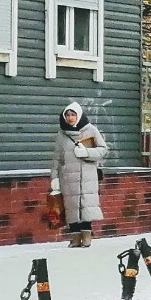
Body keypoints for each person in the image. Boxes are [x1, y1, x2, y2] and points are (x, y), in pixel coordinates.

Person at [53, 102, 109, 248]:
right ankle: (75, 238)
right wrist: (54, 178)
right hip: (68, 177)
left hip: (87, 176)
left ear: (79, 115)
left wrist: (87, 153)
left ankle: (87, 236)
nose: (70, 118)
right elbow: (57, 158)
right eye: (67, 115)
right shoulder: (62, 134)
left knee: (86, 205)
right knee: (71, 207)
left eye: (73, 115)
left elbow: (103, 150)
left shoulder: (90, 130)